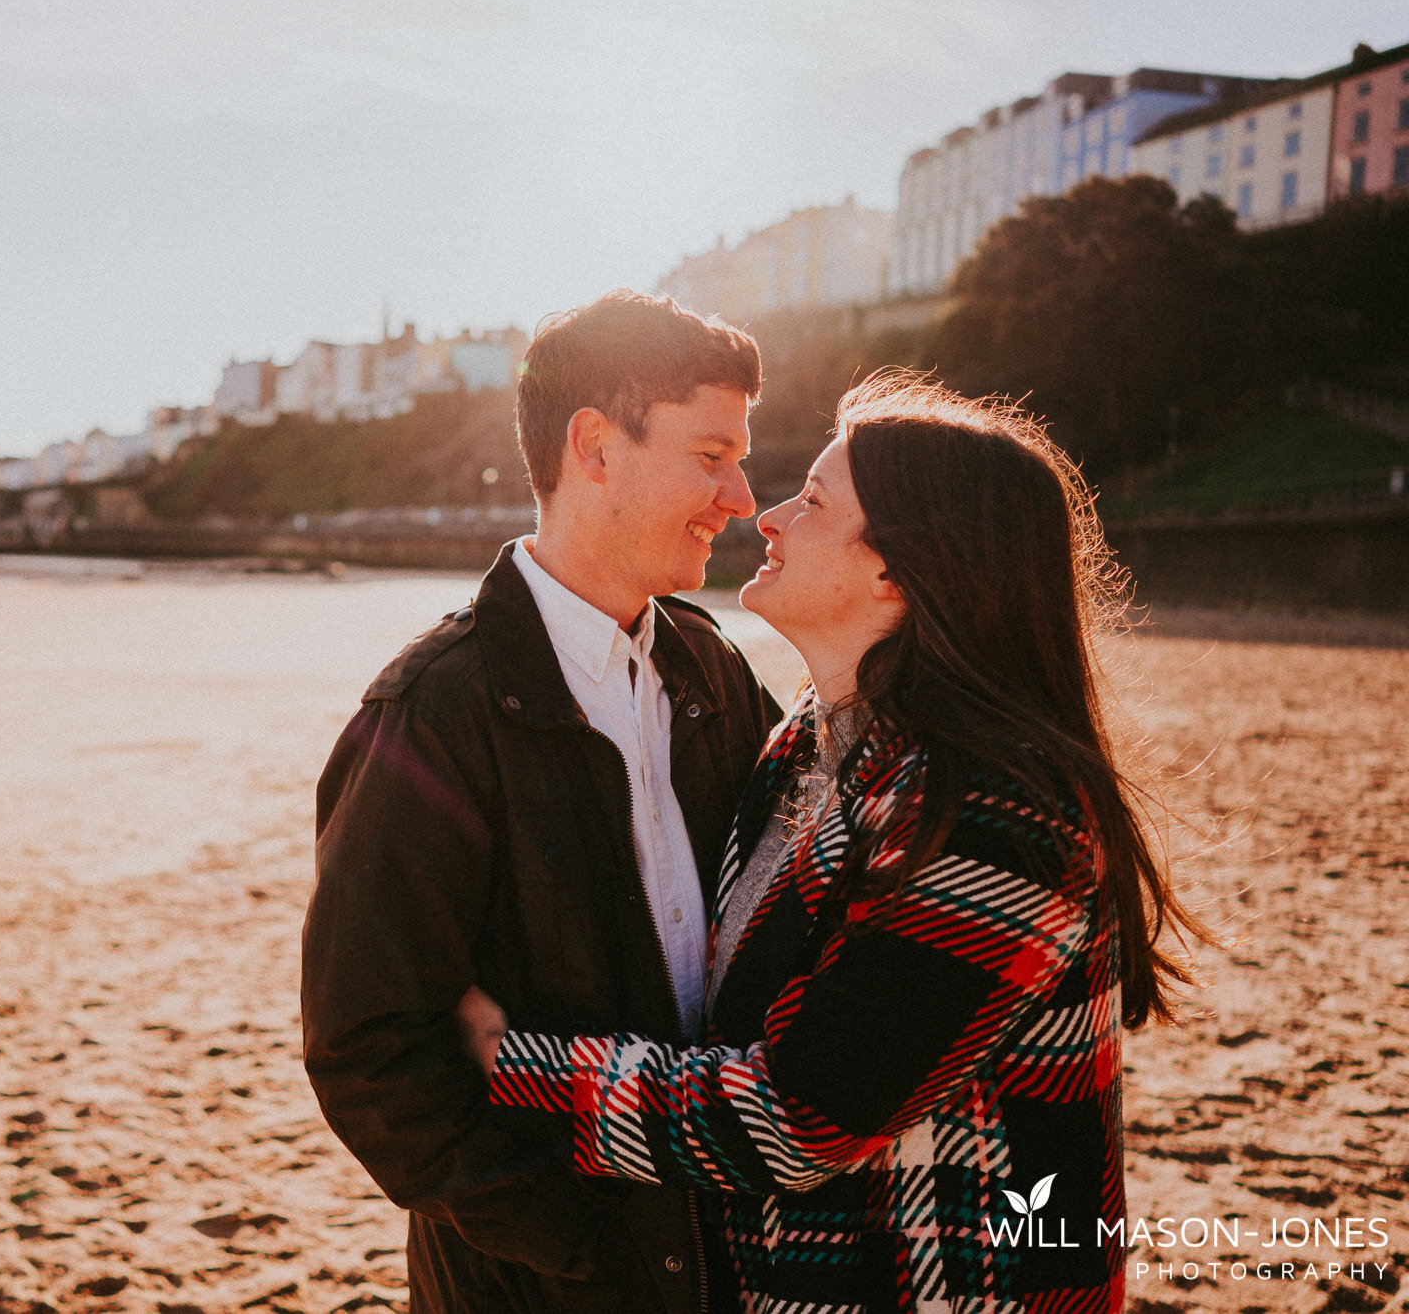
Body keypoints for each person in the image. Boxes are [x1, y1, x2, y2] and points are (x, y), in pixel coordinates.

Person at [461, 374, 1205, 1314]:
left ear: (898, 568)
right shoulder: (800, 747)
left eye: (812, 501)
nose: (766, 515)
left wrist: (510, 1061)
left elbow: (800, 1116)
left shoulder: (999, 812)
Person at [302, 291, 785, 1313]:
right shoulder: (433, 711)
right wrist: (564, 1239)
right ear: (593, 446)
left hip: (725, 1263)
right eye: (709, 455)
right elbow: (367, 1047)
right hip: (541, 1286)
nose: (738, 496)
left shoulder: (712, 670)